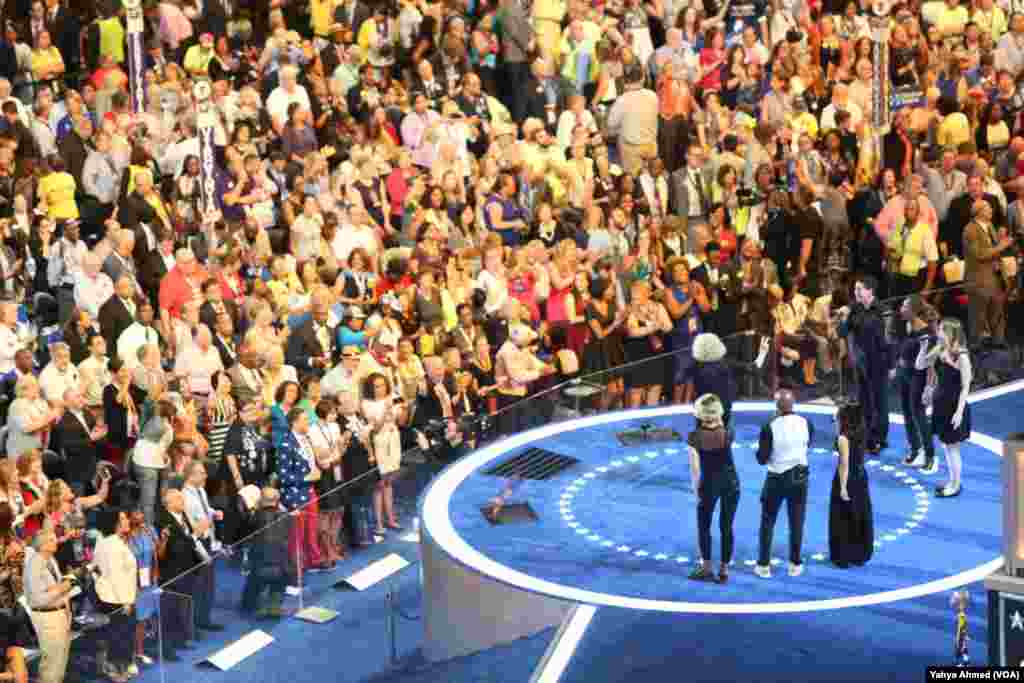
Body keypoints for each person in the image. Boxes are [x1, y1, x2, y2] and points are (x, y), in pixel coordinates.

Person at [754, 389, 812, 578]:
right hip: (800, 476)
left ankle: (763, 565)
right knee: (797, 521)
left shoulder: (769, 426)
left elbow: (762, 459)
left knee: (768, 521)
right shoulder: (806, 422)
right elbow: (807, 443)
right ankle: (795, 563)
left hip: (777, 478)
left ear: (776, 406)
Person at [686, 394, 739, 584]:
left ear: (699, 415)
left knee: (704, 526)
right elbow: (720, 428)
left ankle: (707, 567)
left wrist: (695, 490)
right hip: (731, 482)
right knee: (727, 526)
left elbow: (695, 469)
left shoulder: (694, 437)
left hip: (709, 484)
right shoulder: (729, 433)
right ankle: (724, 570)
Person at [917, 319, 972, 498]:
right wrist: (924, 348)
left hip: (954, 406)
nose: (937, 331)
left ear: (950, 333)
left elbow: (966, 386)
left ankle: (955, 486)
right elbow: (920, 365)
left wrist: (959, 412)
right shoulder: (940, 349)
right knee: (947, 446)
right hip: (940, 405)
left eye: (941, 329)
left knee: (952, 447)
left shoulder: (961, 356)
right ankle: (952, 481)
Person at [837, 276, 889, 454]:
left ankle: (880, 439)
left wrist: (891, 365)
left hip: (879, 363)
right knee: (865, 401)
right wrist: (844, 318)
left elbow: (888, 341)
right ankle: (868, 437)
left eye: (859, 289)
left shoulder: (882, 310)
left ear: (870, 291)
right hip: (861, 363)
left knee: (880, 402)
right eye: (855, 289)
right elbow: (842, 332)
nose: (855, 292)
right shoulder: (855, 310)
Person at [92, 508, 138, 683]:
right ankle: (116, 671)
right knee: (119, 636)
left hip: (114, 597)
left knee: (119, 635)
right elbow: (115, 575)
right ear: (116, 523)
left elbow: (96, 569)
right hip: (117, 600)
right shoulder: (112, 545)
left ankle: (118, 668)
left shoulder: (109, 542)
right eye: (124, 518)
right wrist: (126, 602)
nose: (127, 520)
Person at [23, 529, 74, 683]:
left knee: (61, 660)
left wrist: (61, 592)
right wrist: (60, 588)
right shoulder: (34, 565)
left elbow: (56, 587)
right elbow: (38, 599)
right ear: (42, 545)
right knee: (52, 662)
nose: (56, 541)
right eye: (51, 540)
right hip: (46, 617)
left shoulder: (51, 560)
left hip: (60, 613)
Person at [828, 402, 874, 568]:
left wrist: (842, 487)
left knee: (842, 517)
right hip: (861, 477)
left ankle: (843, 556)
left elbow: (843, 464)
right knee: (860, 514)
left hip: (848, 479)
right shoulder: (861, 432)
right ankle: (859, 554)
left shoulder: (843, 438)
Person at [896, 295, 938, 473]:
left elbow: (931, 366)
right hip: (904, 374)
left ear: (913, 311)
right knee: (906, 412)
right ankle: (916, 450)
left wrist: (929, 388)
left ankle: (930, 456)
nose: (901, 309)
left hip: (918, 377)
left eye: (905, 307)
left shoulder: (927, 334)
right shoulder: (907, 326)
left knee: (918, 414)